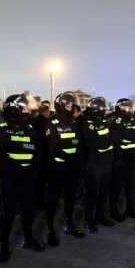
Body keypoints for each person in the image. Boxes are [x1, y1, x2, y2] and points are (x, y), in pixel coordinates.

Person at [0, 93, 45, 262]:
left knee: (29, 211)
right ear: (15, 108)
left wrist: (31, 169)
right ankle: (4, 246)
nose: (28, 110)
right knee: (8, 214)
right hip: (11, 179)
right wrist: (17, 168)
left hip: (28, 178)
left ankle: (28, 239)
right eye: (25, 107)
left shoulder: (31, 128)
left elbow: (38, 152)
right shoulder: (1, 128)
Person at [45, 91, 85, 247]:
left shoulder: (74, 122)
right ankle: (50, 231)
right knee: (53, 200)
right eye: (67, 105)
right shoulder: (52, 122)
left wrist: (78, 163)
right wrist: (70, 157)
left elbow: (78, 144)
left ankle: (70, 225)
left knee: (70, 199)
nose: (70, 107)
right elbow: (54, 147)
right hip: (57, 167)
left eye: (71, 105)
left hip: (72, 168)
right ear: (61, 106)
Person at [80, 97, 115, 233]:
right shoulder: (87, 123)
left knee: (104, 193)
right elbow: (98, 142)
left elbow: (114, 137)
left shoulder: (105, 122)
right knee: (92, 194)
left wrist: (106, 138)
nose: (104, 111)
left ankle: (100, 217)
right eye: (102, 109)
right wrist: (107, 138)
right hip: (94, 164)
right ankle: (89, 221)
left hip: (107, 163)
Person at [109, 98, 135, 221]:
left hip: (132, 158)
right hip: (119, 158)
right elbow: (116, 137)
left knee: (132, 186)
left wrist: (128, 134)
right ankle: (114, 211)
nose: (129, 110)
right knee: (117, 188)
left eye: (130, 107)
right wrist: (130, 134)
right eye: (125, 107)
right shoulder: (114, 120)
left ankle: (131, 209)